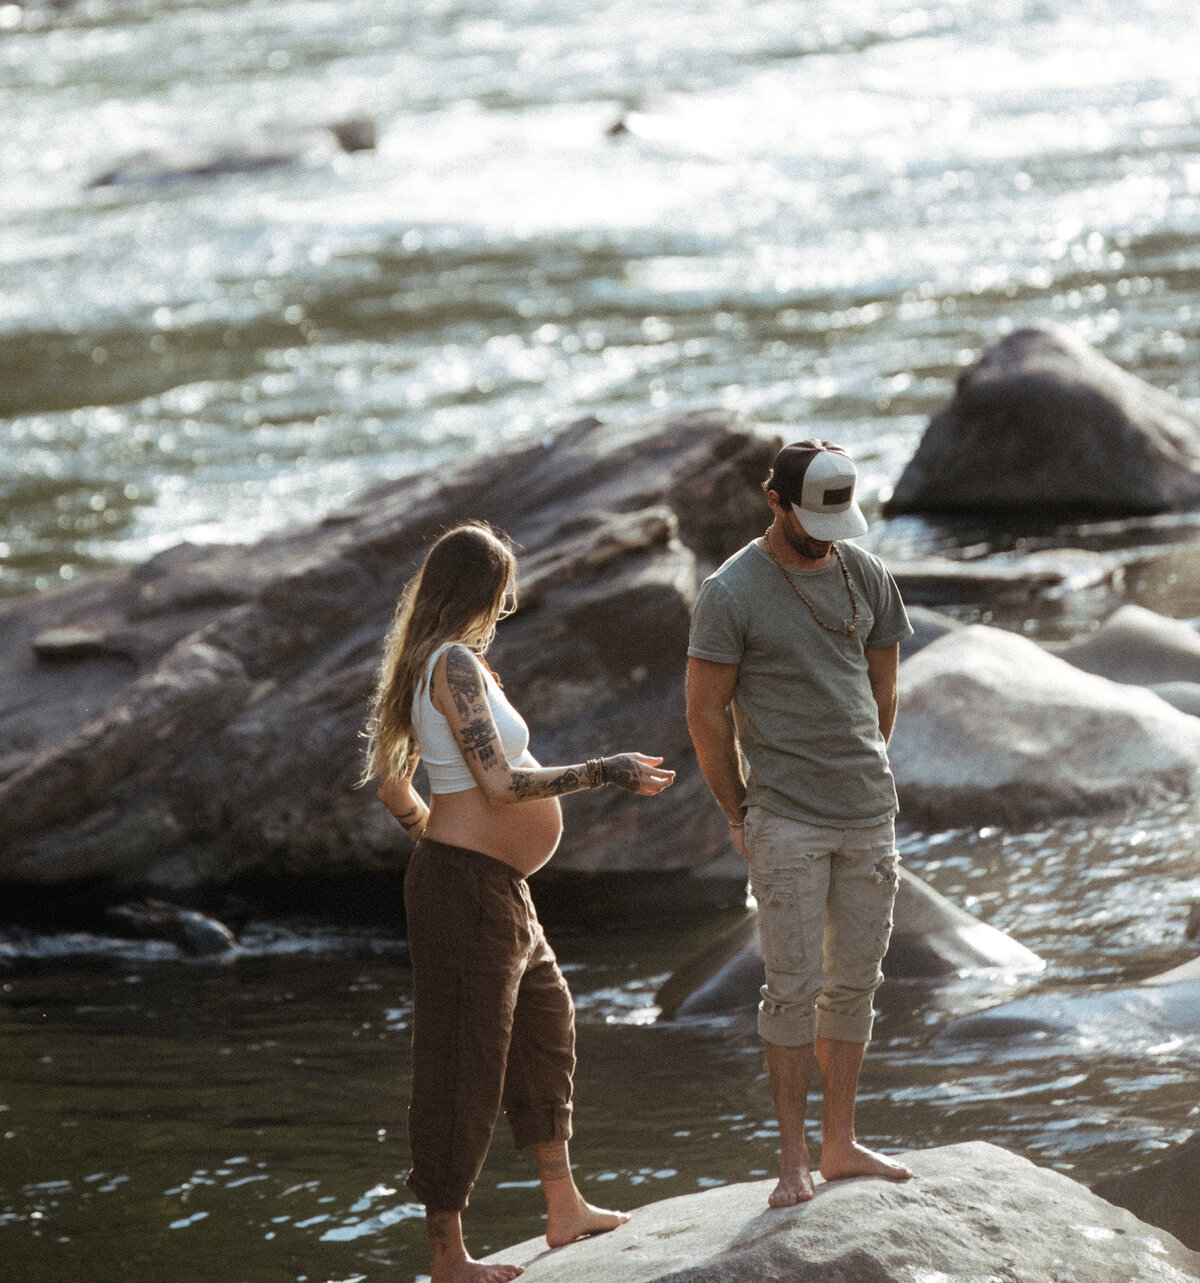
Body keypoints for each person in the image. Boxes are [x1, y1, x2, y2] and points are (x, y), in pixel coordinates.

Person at [361, 522, 675, 1283]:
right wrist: (606, 768)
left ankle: (562, 1205)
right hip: (467, 886)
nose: (505, 608)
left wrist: (436, 838)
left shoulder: (433, 664)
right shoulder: (454, 666)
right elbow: (499, 784)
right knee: (460, 1062)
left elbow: (393, 783)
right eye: (502, 594)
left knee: (546, 1023)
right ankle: (447, 1256)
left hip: (490, 884)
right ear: (481, 591)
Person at [685, 438, 915, 1209]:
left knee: (855, 984)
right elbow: (705, 715)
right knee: (791, 990)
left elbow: (883, 691)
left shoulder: (865, 572)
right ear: (774, 500)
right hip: (783, 817)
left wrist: (860, 776)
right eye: (811, 516)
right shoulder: (731, 591)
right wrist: (736, 810)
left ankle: (840, 1143)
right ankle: (792, 1159)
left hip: (868, 814)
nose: (827, 532)